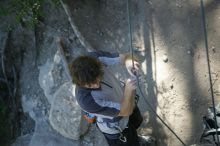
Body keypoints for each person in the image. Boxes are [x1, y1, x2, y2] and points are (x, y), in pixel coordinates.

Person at [69, 51, 153, 146]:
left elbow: (125, 57)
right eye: (90, 84)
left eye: (98, 78)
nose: (96, 85)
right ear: (80, 84)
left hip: (128, 102)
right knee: (130, 142)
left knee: (135, 124)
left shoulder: (94, 59)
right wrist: (128, 91)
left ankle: (137, 139)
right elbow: (126, 111)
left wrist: (129, 61)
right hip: (117, 127)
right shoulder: (87, 101)